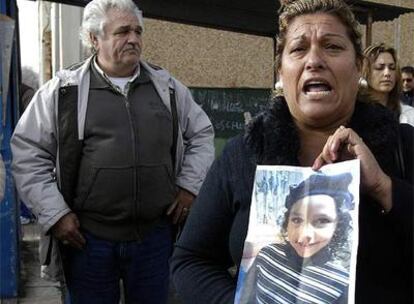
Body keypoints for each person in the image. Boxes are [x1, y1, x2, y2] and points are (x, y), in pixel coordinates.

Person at [171, 0, 413, 303]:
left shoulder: (404, 146)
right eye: (299, 49)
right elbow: (190, 261)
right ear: (281, 70)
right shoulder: (242, 155)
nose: (314, 60)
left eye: (333, 47)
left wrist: (385, 188)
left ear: (359, 66)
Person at [11, 0, 214, 302]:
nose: (133, 39)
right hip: (88, 240)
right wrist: (56, 215)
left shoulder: (166, 87)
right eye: (122, 32)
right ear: (94, 39)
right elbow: (28, 152)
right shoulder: (64, 91)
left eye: (137, 31)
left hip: (155, 237)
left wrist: (189, 186)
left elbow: (202, 134)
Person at [238, 173, 353, 304]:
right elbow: (245, 298)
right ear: (287, 222)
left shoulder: (342, 282)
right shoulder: (267, 255)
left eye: (322, 220)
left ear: (337, 226)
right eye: (297, 220)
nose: (305, 234)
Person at [362, 44, 414, 126]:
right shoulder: (350, 112)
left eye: (392, 68)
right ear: (365, 72)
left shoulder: (409, 115)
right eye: (379, 68)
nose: (387, 73)